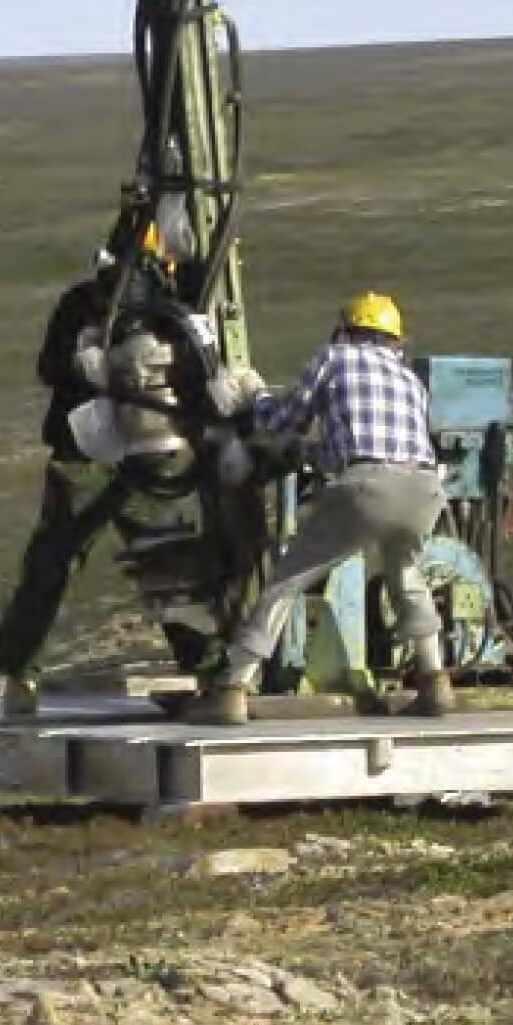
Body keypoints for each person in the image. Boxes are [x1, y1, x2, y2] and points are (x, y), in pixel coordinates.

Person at [189, 292, 453, 725]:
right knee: (406, 576)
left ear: (345, 329)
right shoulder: (411, 380)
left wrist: (252, 396)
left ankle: (232, 688)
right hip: (425, 490)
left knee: (284, 582)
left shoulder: (335, 358)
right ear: (396, 340)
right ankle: (434, 683)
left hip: (368, 487)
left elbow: (282, 421)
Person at [0, 247, 129, 717]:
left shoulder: (157, 310)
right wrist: (89, 364)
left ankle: (213, 669)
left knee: (179, 558)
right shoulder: (87, 306)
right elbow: (50, 367)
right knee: (55, 561)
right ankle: (18, 672)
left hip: (133, 452)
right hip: (103, 453)